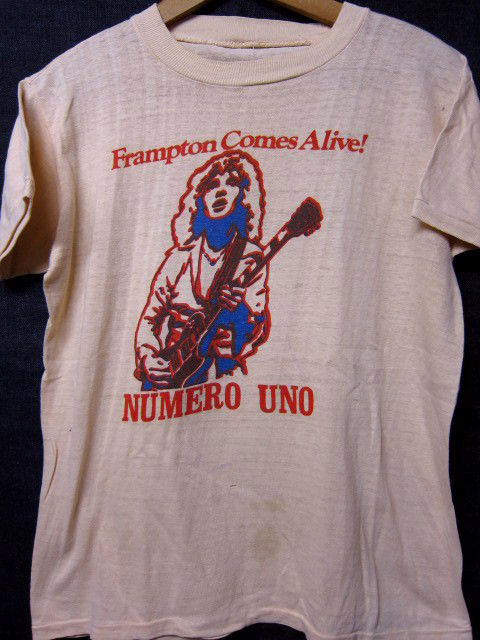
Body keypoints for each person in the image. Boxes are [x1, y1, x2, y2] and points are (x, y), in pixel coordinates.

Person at [134, 149, 271, 390]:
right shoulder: (178, 258)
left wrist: (239, 312)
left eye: (231, 183)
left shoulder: (251, 257)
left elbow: (256, 329)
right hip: (170, 379)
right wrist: (148, 356)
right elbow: (149, 318)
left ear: (244, 195)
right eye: (212, 185)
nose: (220, 191)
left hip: (224, 380)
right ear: (199, 199)